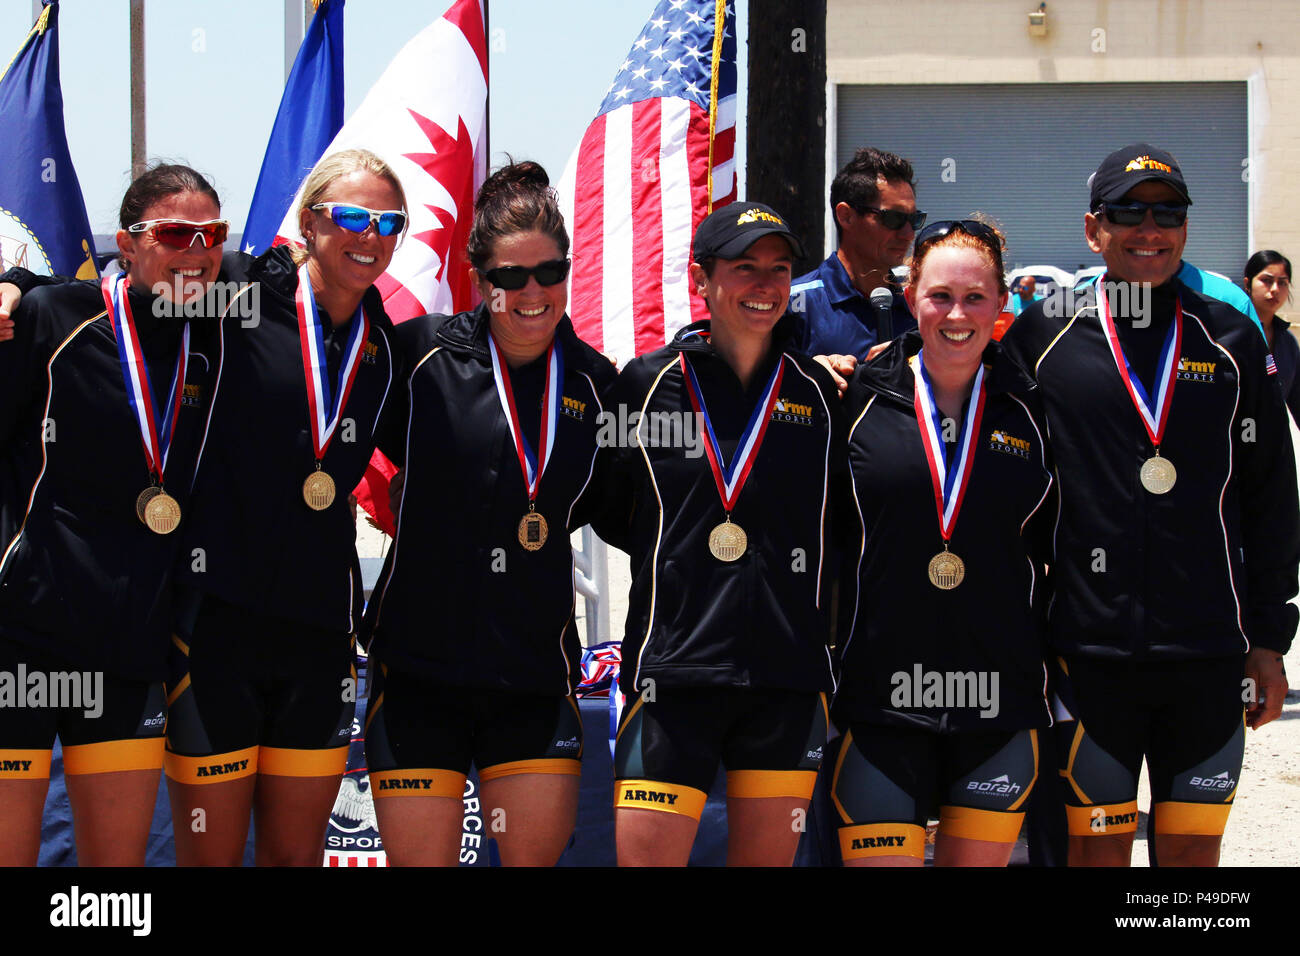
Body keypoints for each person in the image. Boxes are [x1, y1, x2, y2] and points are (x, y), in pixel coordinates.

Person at [1001, 142, 1300, 867]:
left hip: (1207, 651)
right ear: (1092, 229)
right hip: (1085, 654)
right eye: (1128, 211)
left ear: (1187, 227)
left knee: (1192, 859)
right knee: (1095, 852)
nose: (1149, 228)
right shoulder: (1046, 331)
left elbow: (1271, 496)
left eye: (1169, 212)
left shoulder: (1230, 336)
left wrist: (1269, 637)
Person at [360, 161, 616, 866]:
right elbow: (315, 375)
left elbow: (652, 498)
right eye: (510, 277)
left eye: (549, 271)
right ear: (480, 278)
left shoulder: (598, 386)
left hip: (531, 679)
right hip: (416, 673)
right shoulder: (419, 355)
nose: (531, 292)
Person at [157, 148, 404, 865]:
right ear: (309, 220)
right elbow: (123, 295)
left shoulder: (383, 346)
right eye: (352, 216)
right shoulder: (232, 293)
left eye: (388, 221)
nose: (371, 234)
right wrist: (18, 284)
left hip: (319, 636)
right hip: (213, 627)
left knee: (295, 860)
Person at [592, 201, 842, 866]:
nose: (763, 285)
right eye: (744, 268)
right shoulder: (646, 387)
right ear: (702, 280)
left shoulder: (817, 394)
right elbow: (614, 508)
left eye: (778, 270)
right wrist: (679, 566)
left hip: (786, 680)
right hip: (674, 678)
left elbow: (836, 526)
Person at [0, 164, 224, 865]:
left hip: (129, 645)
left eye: (210, 234)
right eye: (174, 234)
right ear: (127, 245)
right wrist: (19, 283)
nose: (196, 249)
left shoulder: (217, 335)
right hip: (20, 635)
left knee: (114, 879)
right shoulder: (51, 318)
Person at [832, 219, 1055, 867]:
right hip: (880, 702)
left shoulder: (1032, 410)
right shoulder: (854, 398)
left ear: (1001, 305)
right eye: (939, 296)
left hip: (998, 703)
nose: (957, 314)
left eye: (976, 297)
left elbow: (1061, 545)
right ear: (910, 299)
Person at [790, 148, 923, 360]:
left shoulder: (921, 304)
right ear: (846, 216)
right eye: (893, 218)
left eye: (915, 220)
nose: (908, 234)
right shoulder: (793, 305)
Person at [1244, 250, 1300, 420]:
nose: (1275, 289)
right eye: (1267, 281)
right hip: (1235, 437)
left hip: (1272, 438)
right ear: (1248, 283)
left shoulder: (1288, 341)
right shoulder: (1233, 332)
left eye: (1282, 283)